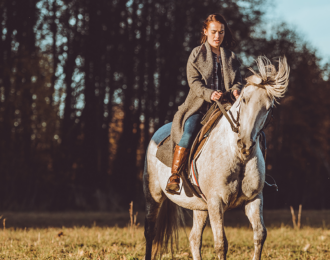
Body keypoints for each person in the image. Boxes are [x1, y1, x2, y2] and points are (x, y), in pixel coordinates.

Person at [166, 14, 243, 193]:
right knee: (188, 132)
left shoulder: (231, 56)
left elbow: (238, 80)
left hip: (226, 108)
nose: (218, 36)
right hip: (200, 108)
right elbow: (193, 82)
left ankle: (252, 178)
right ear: (205, 31)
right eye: (214, 32)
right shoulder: (196, 53)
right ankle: (175, 176)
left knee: (249, 130)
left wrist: (236, 90)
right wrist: (210, 94)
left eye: (221, 32)